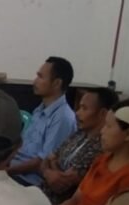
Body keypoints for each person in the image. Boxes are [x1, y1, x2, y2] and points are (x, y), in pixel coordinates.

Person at [40, 87, 118, 205]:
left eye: (84, 108)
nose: (77, 113)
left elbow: (63, 184)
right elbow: (47, 159)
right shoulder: (78, 134)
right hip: (40, 193)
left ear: (102, 114)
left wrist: (53, 164)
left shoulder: (101, 147)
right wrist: (50, 172)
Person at [7, 57, 77, 186]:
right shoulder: (40, 109)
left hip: (29, 181)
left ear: (57, 83)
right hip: (15, 171)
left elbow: (42, 162)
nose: (35, 81)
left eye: (40, 77)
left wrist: (6, 172)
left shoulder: (62, 118)